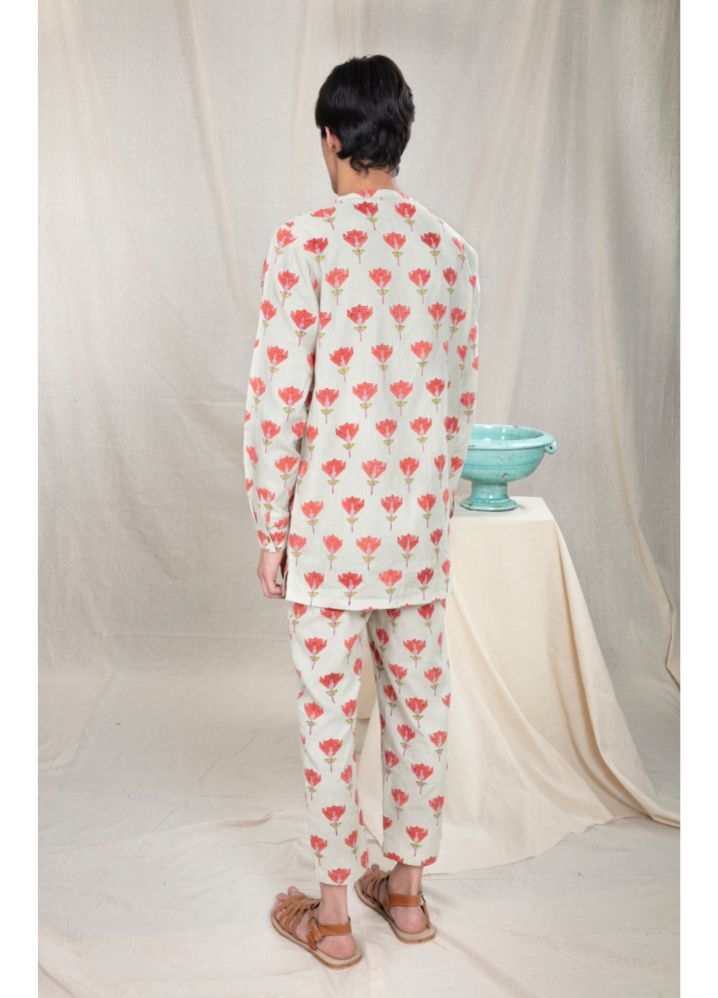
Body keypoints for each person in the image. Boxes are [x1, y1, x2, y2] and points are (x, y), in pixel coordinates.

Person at [243, 54, 480, 968]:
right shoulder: (450, 252)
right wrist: (431, 508)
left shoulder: (303, 244)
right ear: (400, 138)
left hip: (329, 533)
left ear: (333, 138)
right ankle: (408, 896)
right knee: (420, 704)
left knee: (331, 713)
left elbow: (279, 400)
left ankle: (336, 917)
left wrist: (272, 530)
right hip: (414, 529)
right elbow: (459, 400)